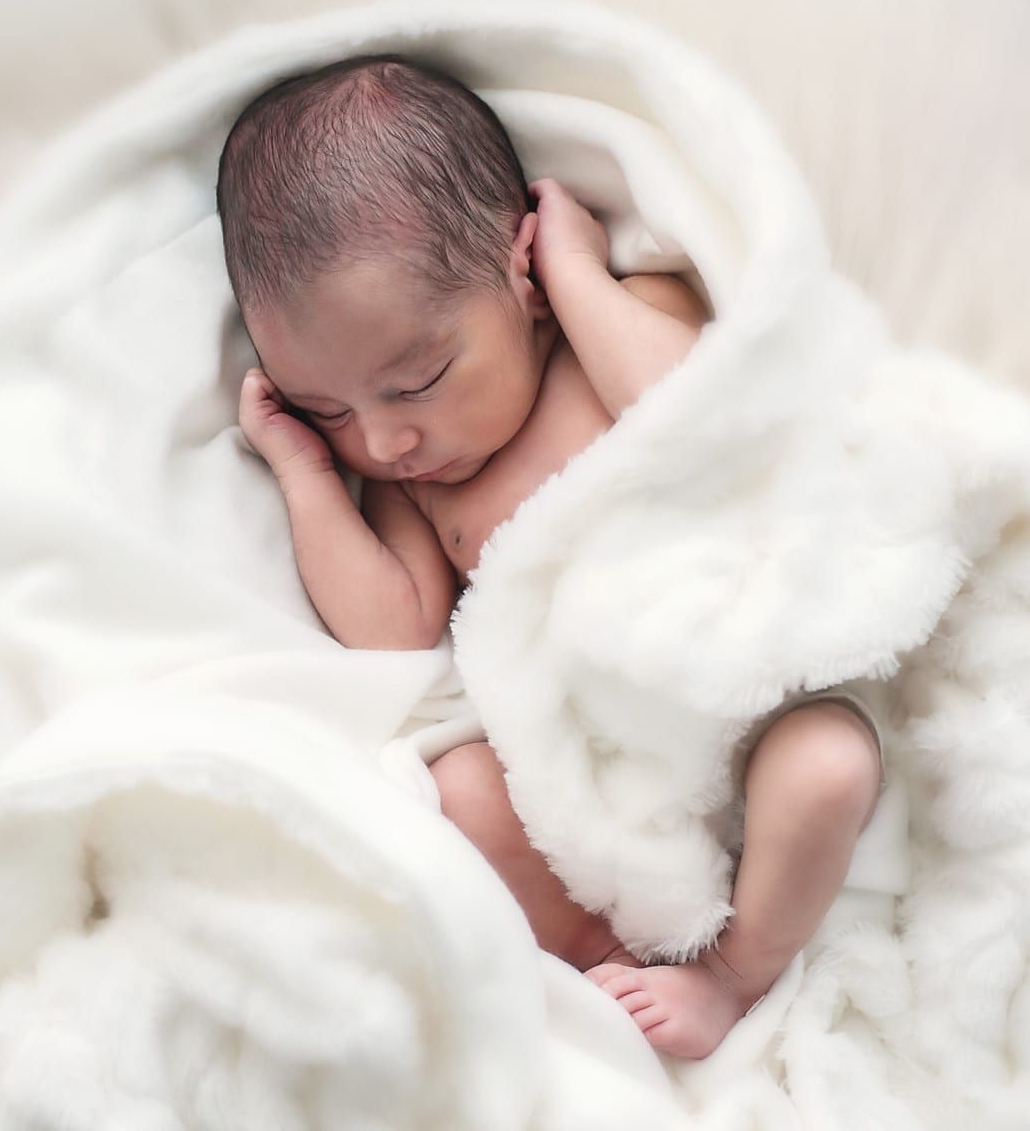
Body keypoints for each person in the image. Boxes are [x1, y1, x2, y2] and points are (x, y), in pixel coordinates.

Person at [216, 53, 884, 1060]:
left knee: (827, 766)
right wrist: (304, 469)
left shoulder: (612, 325)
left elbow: (702, 418)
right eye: (329, 408)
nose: (387, 438)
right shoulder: (410, 481)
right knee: (455, 790)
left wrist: (577, 276)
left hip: (747, 713)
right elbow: (392, 627)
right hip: (595, 783)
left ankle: (731, 971)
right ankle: (593, 961)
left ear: (517, 274)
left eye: (420, 377)